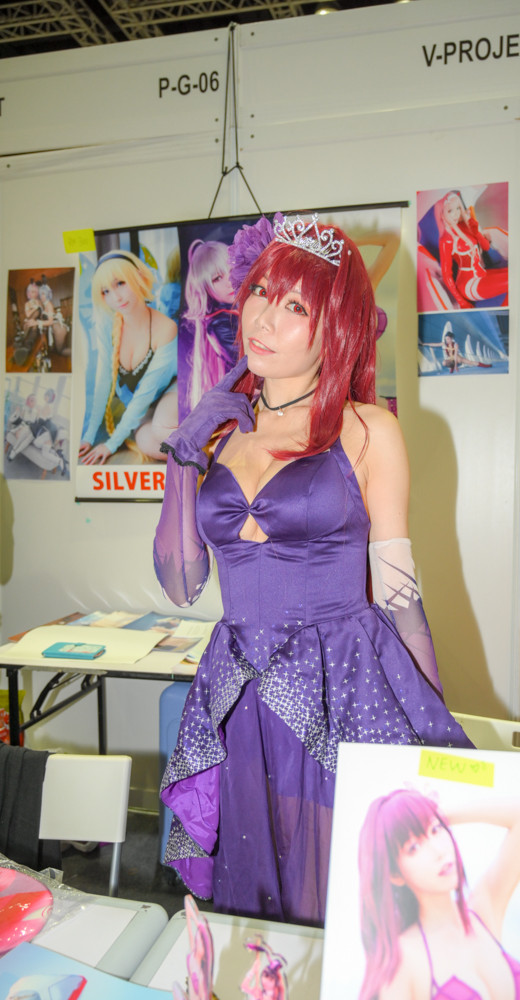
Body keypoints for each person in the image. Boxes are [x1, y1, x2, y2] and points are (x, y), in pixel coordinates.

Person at [154, 214, 473, 926]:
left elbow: (400, 595)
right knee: (249, 894)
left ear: (337, 328)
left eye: (296, 305)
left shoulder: (367, 429)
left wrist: (431, 723)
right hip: (236, 690)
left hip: (341, 687)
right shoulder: (221, 431)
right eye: (260, 292)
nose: (263, 318)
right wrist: (182, 455)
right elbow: (181, 583)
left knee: (338, 891)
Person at [358, 788, 520, 1000]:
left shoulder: (482, 911)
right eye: (414, 847)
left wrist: (436, 814)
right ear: (395, 874)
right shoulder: (403, 960)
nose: (438, 851)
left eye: (436, 830)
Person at [79, 250, 178, 465]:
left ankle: (215, 445)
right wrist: (89, 436)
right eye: (106, 291)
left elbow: (146, 392)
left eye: (120, 283)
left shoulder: (165, 328)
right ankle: (202, 452)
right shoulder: (108, 324)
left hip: (172, 392)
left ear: (139, 277)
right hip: (145, 406)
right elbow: (103, 380)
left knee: (162, 428)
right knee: (147, 443)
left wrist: (111, 444)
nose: (116, 297)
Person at [181, 239, 238, 413]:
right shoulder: (221, 324)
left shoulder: (241, 309)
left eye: (231, 270)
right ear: (206, 288)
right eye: (217, 278)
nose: (229, 281)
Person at [437, 191, 508, 310]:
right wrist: (461, 302)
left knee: (516, 274)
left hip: (482, 274)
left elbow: (486, 247)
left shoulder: (465, 226)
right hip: (468, 284)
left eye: (458, 208)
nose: (455, 214)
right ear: (442, 213)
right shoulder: (446, 239)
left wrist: (472, 226)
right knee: (514, 281)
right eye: (450, 211)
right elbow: (446, 275)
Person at [36, 284, 69, 355]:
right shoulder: (45, 304)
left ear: (48, 294)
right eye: (40, 294)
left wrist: (37, 323)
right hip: (56, 328)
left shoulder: (49, 305)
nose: (41, 296)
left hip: (59, 329)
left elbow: (50, 322)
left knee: (61, 351)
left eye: (43, 294)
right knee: (60, 351)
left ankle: (81, 353)